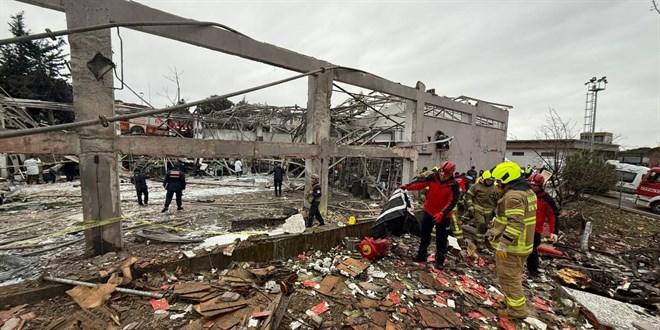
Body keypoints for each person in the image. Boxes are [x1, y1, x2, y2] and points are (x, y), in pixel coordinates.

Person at [486, 161, 537, 319]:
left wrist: (503, 245)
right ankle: (511, 301)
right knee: (512, 276)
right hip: (524, 245)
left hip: (513, 247)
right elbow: (517, 217)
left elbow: (516, 223)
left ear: (507, 179)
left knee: (509, 279)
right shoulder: (527, 192)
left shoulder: (513, 196)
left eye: (499, 181)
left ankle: (516, 311)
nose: (496, 184)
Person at [400, 161, 460, 269]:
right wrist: (407, 187)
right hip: (429, 211)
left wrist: (442, 213)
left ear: (450, 174)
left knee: (441, 238)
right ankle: (421, 254)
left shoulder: (454, 185)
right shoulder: (433, 177)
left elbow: (452, 202)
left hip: (443, 216)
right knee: (424, 234)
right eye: (441, 172)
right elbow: (420, 183)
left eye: (445, 174)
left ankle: (440, 260)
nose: (442, 176)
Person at [526, 173, 558, 277]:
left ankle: (532, 270)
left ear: (540, 186)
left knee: (532, 250)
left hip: (535, 230)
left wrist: (553, 232)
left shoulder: (547, 199)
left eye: (534, 186)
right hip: (522, 227)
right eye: (530, 185)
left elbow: (552, 216)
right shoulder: (524, 195)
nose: (532, 187)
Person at [466, 170, 498, 249]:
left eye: (491, 180)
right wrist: (470, 205)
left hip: (489, 211)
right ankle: (479, 242)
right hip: (478, 209)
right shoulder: (476, 186)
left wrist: (496, 211)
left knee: (486, 227)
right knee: (481, 223)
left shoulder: (495, 188)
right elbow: (469, 195)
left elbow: (497, 200)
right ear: (484, 179)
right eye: (488, 180)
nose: (489, 182)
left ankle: (482, 239)